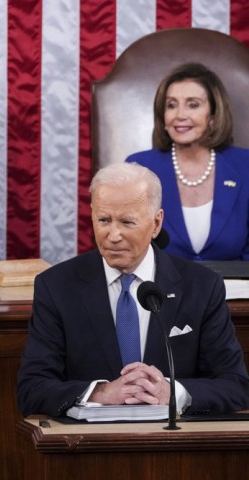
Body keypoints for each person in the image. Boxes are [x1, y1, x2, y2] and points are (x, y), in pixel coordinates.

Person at [17, 162, 249, 418]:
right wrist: (101, 393)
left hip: (175, 445)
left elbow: (235, 385)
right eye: (103, 220)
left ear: (156, 223)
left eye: (127, 222)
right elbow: (32, 388)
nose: (113, 235)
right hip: (87, 447)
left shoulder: (202, 286)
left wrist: (172, 392)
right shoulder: (57, 286)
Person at [126, 62, 249, 261]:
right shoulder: (139, 168)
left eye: (193, 104)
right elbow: (127, 246)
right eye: (171, 105)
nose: (180, 115)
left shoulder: (245, 165)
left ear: (213, 116)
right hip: (160, 289)